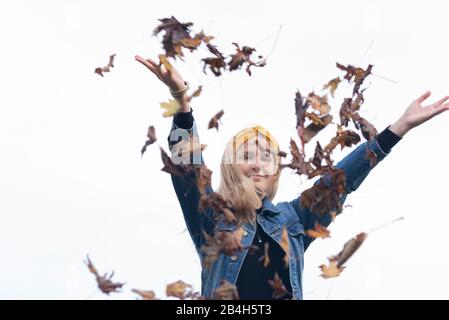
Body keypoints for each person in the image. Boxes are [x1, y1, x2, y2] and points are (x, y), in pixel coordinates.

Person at [135, 54, 449, 299]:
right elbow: (189, 172)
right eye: (246, 156)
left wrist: (398, 129)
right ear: (230, 166)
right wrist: (182, 103)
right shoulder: (211, 218)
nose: (257, 164)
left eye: (266, 157)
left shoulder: (295, 218)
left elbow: (340, 181)